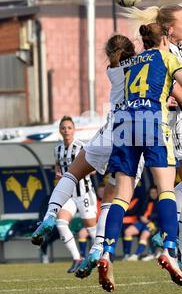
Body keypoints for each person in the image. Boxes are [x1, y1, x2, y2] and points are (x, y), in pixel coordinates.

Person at [98, 23, 182, 292]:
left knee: (122, 195)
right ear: (163, 40)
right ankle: (169, 249)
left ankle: (106, 253)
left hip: (124, 123)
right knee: (165, 192)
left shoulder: (131, 61)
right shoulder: (168, 56)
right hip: (151, 121)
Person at [31, 36, 143, 278]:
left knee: (72, 172)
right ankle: (99, 249)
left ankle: (50, 215)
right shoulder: (146, 66)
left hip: (111, 131)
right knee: (115, 200)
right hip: (135, 138)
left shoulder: (112, 70)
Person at [52, 116, 97, 273]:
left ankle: (103, 256)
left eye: (69, 128)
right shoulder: (57, 149)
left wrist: (79, 173)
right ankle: (77, 258)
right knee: (61, 223)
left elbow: (94, 168)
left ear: (74, 130)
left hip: (84, 193)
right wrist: (59, 174)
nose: (66, 131)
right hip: (68, 194)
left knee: (91, 229)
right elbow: (57, 167)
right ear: (60, 130)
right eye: (63, 128)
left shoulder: (81, 147)